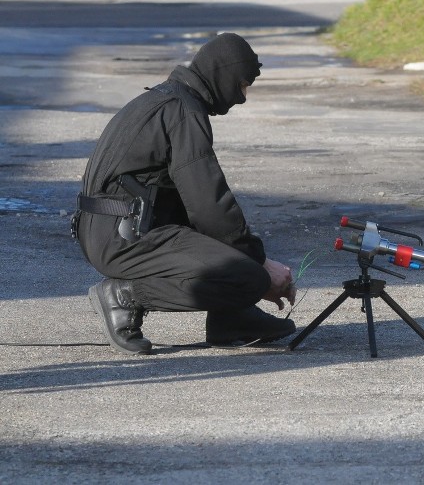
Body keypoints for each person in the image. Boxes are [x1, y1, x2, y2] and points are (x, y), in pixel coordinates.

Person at [73, 33, 297, 355]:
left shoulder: (165, 100)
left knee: (236, 249)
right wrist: (259, 266)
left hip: (111, 229)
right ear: (223, 75)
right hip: (122, 236)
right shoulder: (183, 111)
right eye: (243, 85)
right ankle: (125, 297)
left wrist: (247, 253)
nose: (243, 98)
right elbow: (210, 203)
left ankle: (233, 318)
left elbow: (194, 203)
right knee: (245, 272)